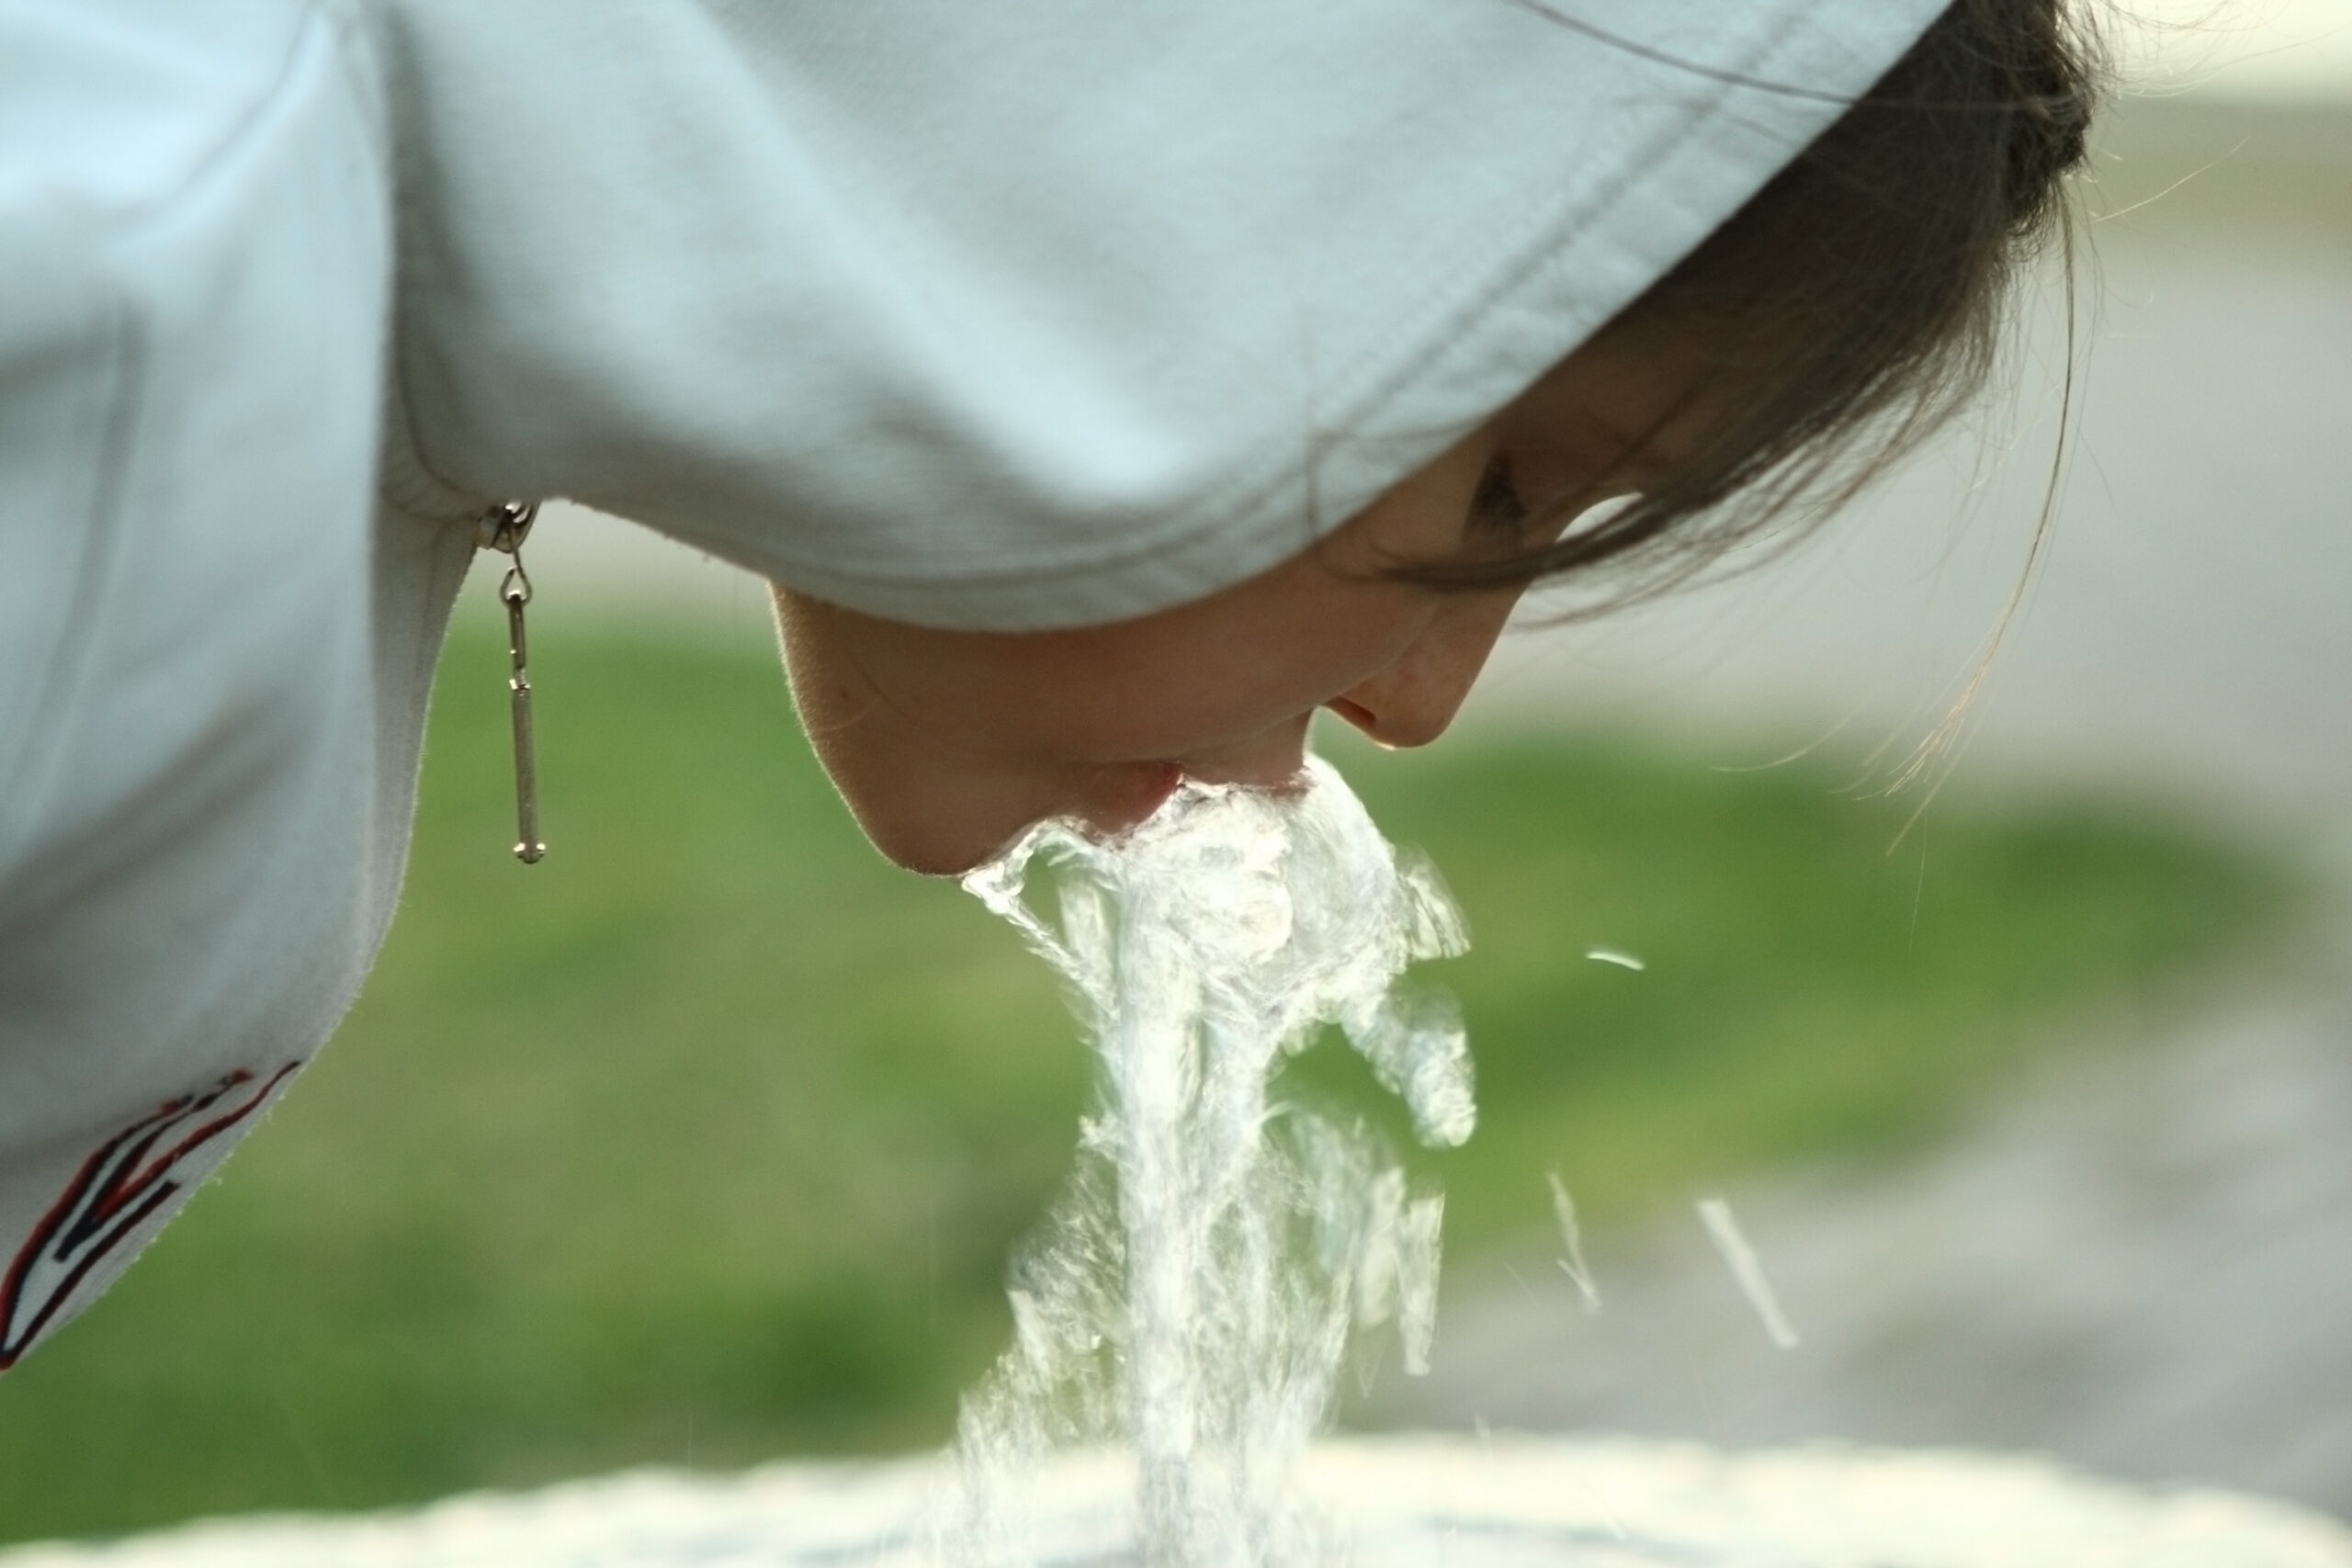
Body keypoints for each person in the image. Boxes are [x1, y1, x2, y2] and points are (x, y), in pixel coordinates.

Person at [0, 0, 2095, 1370]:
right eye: (1510, 483)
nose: (1426, 698)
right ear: (1149, 143)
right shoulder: (93, 318)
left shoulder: (273, 328)